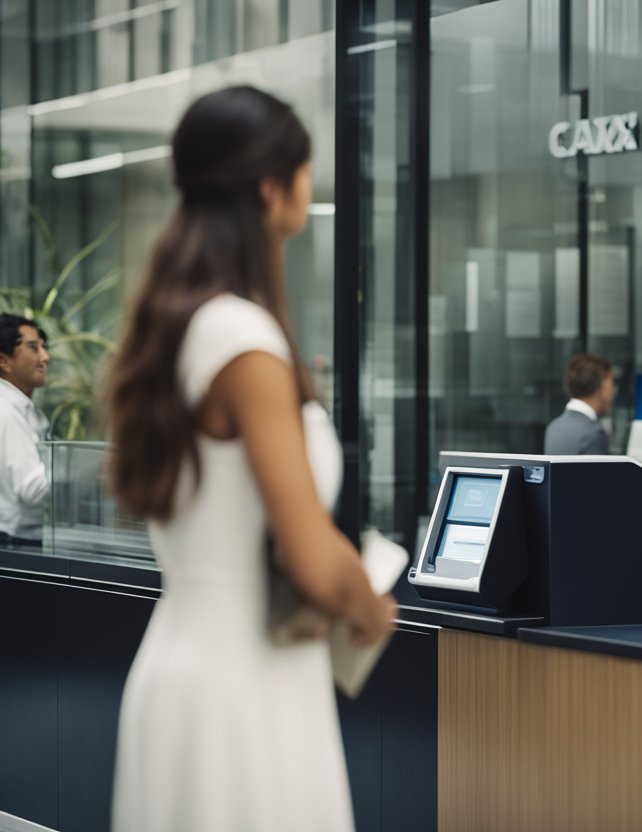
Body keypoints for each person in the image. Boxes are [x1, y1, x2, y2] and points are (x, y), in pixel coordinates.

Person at [106, 86, 396, 832]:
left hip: (182, 658)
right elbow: (308, 554)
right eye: (306, 170)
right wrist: (368, 603)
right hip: (246, 679)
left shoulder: (179, 325)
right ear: (273, 189)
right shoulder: (244, 339)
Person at [0, 313, 50, 548]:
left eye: (43, 347)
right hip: (12, 542)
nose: (45, 357)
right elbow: (32, 489)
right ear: (3, 361)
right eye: (33, 347)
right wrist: (82, 466)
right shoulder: (7, 411)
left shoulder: (25, 409)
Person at [544, 352, 615, 455]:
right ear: (603, 384)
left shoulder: (554, 427)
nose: (613, 391)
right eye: (612, 383)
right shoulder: (593, 435)